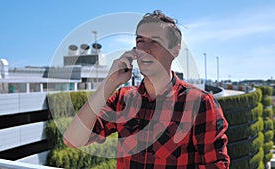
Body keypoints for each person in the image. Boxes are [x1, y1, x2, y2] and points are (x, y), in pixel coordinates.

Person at [63, 10, 230, 169]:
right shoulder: (123, 99)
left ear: (175, 50)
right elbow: (73, 139)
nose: (145, 49)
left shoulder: (199, 103)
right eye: (140, 41)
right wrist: (109, 84)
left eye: (155, 41)